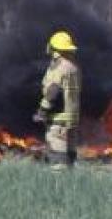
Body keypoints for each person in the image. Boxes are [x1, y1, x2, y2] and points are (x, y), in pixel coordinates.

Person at [33, 29, 82, 170]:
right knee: (70, 157)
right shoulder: (73, 67)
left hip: (59, 120)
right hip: (72, 118)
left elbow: (52, 91)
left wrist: (42, 111)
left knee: (58, 158)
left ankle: (58, 188)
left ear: (54, 48)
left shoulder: (59, 67)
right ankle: (72, 185)